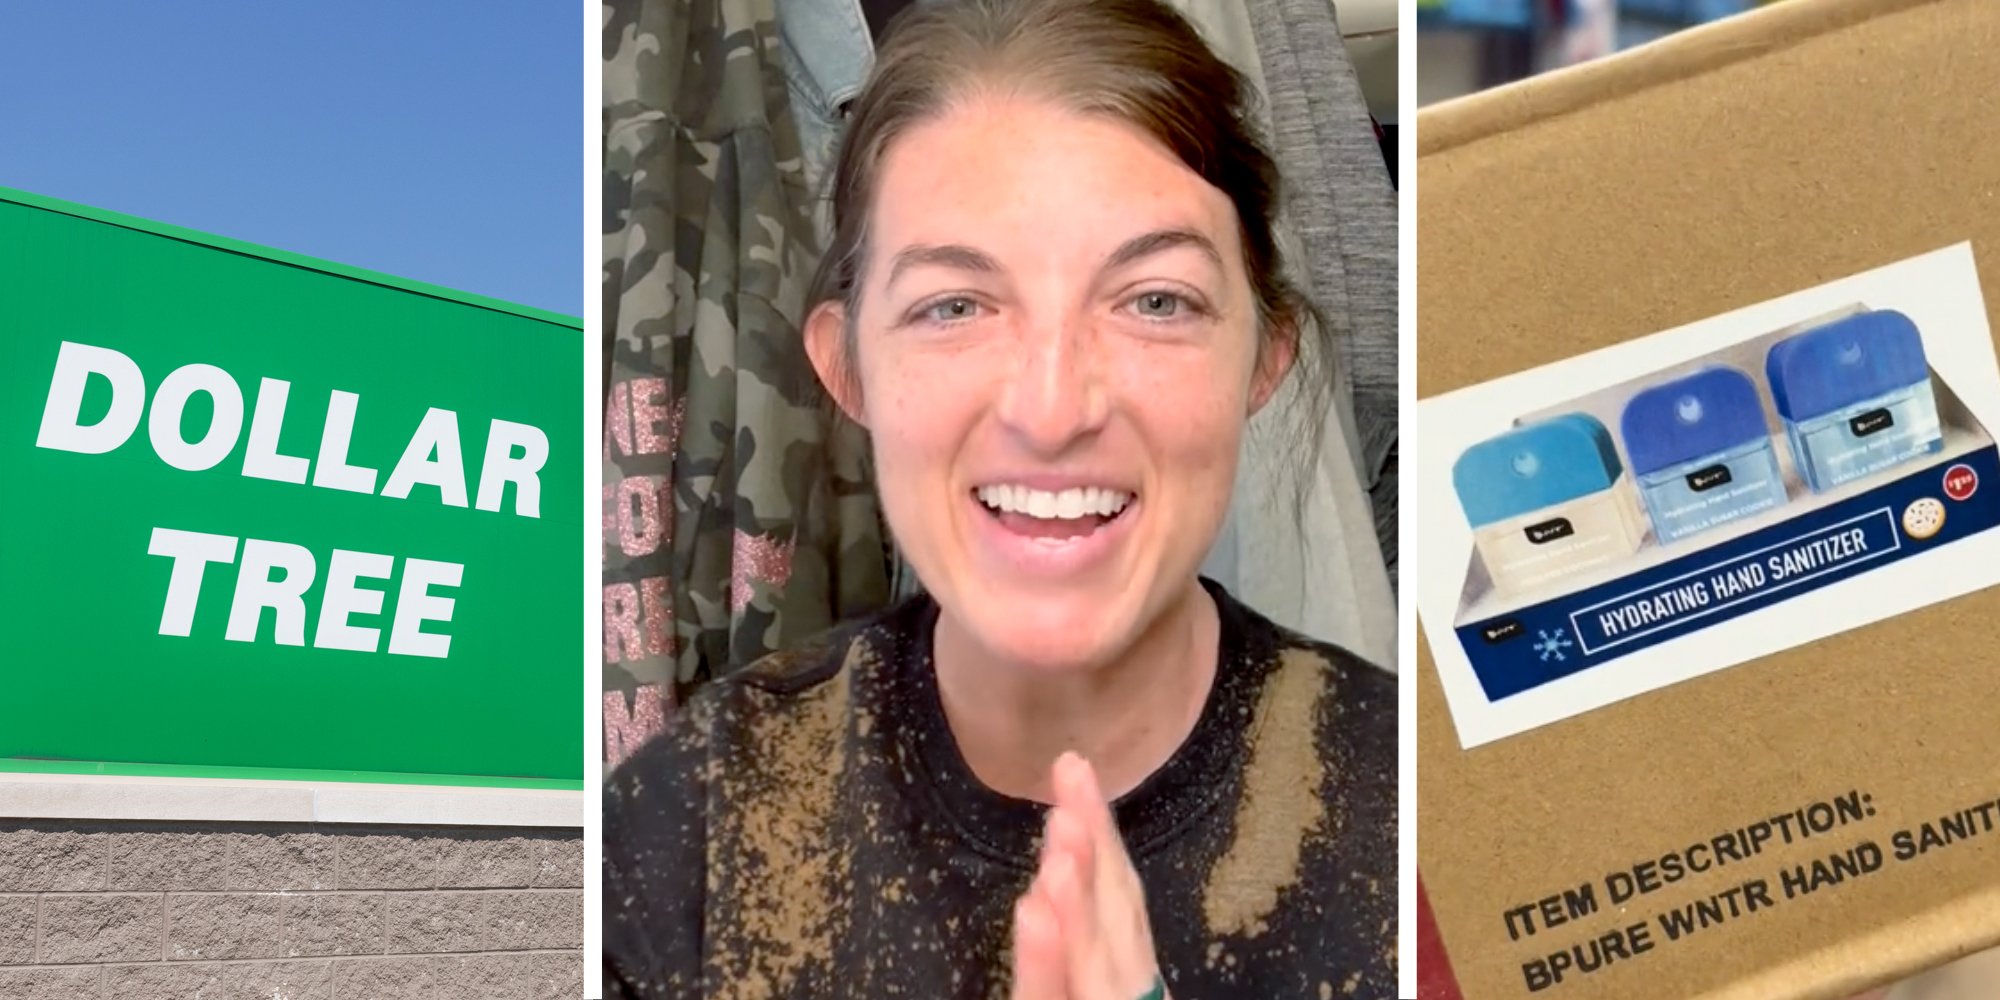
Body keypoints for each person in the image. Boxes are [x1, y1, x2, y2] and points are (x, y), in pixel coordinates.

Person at [601, 1, 1397, 997]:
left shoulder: (1418, 823)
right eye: (954, 306)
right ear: (845, 368)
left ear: (1262, 359)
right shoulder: (684, 831)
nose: (1052, 408)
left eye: (1154, 300)